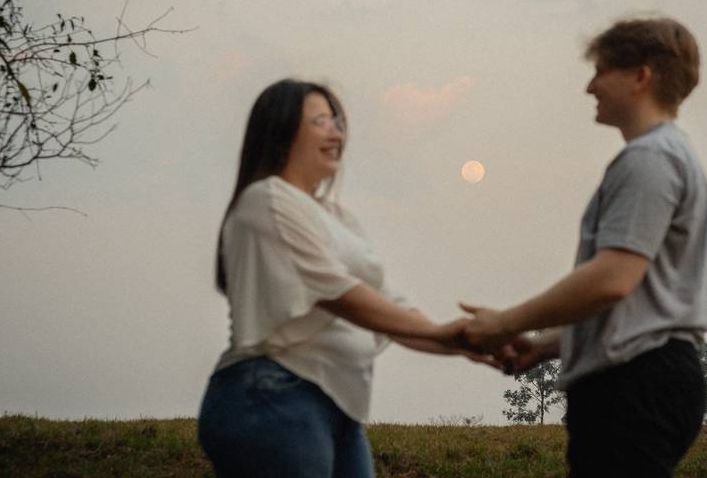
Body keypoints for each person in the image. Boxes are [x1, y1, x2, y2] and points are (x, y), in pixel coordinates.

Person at [461, 17, 707, 477]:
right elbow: (638, 303)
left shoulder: (649, 161)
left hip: (633, 385)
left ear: (641, 76)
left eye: (600, 71)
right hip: (649, 377)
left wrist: (504, 322)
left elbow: (612, 281)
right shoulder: (672, 155)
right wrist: (544, 346)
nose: (589, 86)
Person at [197, 79, 489, 478]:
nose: (337, 132)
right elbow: (339, 294)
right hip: (273, 394)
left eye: (337, 122)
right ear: (281, 133)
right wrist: (443, 335)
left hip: (335, 405)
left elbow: (388, 306)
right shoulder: (266, 200)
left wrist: (461, 340)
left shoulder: (336, 218)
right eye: (321, 122)